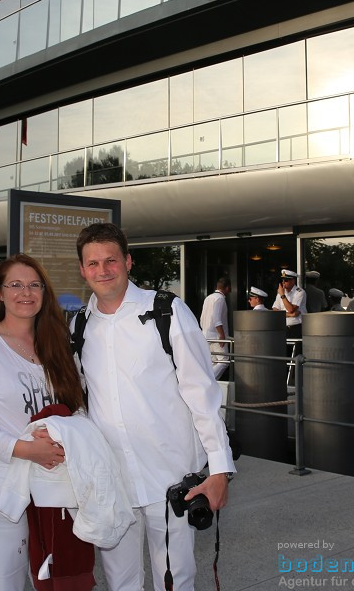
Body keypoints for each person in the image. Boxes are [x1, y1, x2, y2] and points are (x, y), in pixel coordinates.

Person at [74, 222, 235, 591]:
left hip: (170, 480)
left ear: (128, 262)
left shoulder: (166, 311)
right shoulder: (79, 326)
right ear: (82, 270)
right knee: (121, 583)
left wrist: (220, 470)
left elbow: (203, 394)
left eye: (111, 260)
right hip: (113, 482)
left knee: (175, 582)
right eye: (93, 263)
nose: (103, 270)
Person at [0, 254, 89, 591]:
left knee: (51, 578)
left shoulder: (57, 345)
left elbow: (79, 406)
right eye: (15, 285)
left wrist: (66, 439)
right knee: (4, 583)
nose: (25, 292)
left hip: (50, 486)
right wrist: (26, 449)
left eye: (33, 285)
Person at [199, 276, 231, 378]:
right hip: (217, 337)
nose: (230, 291)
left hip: (206, 335)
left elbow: (202, 318)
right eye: (230, 288)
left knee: (212, 363)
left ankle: (207, 384)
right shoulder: (220, 299)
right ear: (227, 287)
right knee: (224, 361)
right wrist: (221, 335)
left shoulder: (208, 297)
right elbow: (217, 319)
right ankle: (209, 381)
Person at [273, 269, 307, 344]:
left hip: (296, 327)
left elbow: (291, 309)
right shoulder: (281, 292)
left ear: (293, 281)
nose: (283, 282)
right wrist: (289, 315)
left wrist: (282, 295)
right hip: (283, 327)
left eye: (286, 280)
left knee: (296, 352)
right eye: (282, 280)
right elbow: (275, 311)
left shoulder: (300, 292)